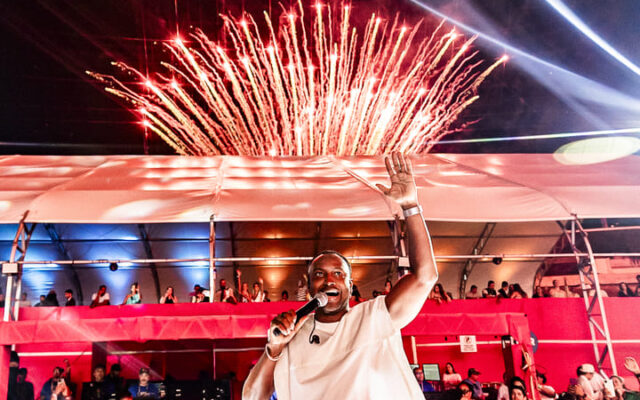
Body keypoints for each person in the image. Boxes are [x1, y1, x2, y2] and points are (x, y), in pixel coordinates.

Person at [242, 153, 439, 399]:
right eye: (319, 274)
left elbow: (425, 277)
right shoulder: (292, 337)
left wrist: (410, 207)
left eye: (338, 273)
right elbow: (252, 397)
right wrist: (274, 349)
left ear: (350, 284)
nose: (329, 280)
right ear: (310, 287)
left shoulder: (373, 317)